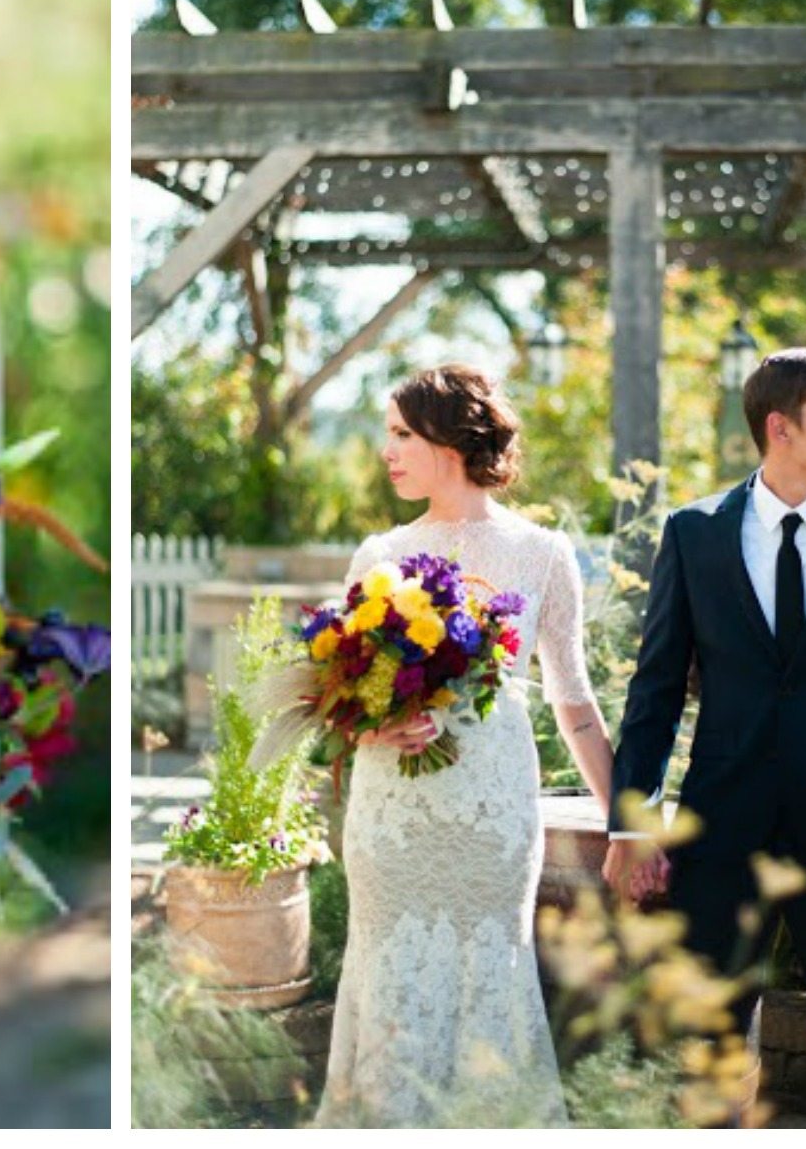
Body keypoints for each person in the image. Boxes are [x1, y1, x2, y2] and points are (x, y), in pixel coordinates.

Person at [604, 347, 806, 1111]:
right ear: (780, 427)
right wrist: (633, 820)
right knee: (709, 1056)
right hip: (722, 828)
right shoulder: (694, 533)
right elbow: (655, 687)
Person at [316, 364, 617, 1127]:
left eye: (400, 434)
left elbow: (573, 701)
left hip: (492, 811)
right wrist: (377, 726)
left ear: (449, 442)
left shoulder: (543, 554)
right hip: (392, 808)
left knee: (492, 964)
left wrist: (627, 819)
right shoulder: (378, 553)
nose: (386, 450)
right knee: (388, 968)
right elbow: (335, 704)